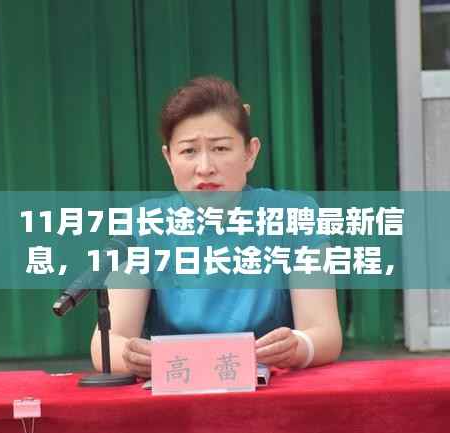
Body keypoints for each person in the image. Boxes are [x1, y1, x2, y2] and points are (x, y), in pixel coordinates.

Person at [91, 76, 342, 378]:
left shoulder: (295, 215)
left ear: (250, 153)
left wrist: (299, 346)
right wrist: (138, 357)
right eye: (188, 151)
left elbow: (325, 333)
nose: (205, 167)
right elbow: (108, 342)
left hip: (270, 390)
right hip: (174, 392)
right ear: (168, 158)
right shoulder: (143, 224)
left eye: (221, 148)